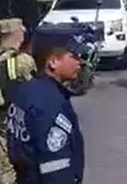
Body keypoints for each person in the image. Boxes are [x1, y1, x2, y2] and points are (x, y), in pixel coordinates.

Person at [7, 41, 85, 184]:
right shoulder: (49, 102)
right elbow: (55, 161)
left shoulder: (26, 90)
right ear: (53, 62)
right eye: (73, 57)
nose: (79, 63)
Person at [0, 18, 37, 184]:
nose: (23, 36)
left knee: (7, 163)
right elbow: (36, 88)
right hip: (25, 117)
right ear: (15, 34)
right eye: (21, 33)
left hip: (3, 117)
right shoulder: (23, 61)